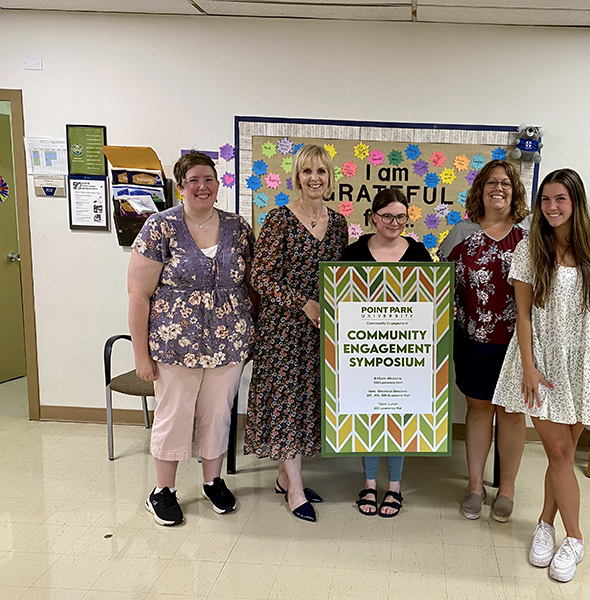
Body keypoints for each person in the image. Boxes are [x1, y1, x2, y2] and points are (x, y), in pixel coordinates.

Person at [492, 168, 590, 582]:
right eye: (545, 200)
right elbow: (524, 315)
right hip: (541, 366)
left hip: (585, 366)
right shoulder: (531, 250)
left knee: (560, 458)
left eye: (559, 199)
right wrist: (528, 368)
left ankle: (545, 525)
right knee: (561, 455)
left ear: (576, 202)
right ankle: (576, 539)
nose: (551, 207)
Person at [128, 150, 256, 526]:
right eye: (194, 181)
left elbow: (251, 284)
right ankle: (163, 491)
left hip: (229, 342)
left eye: (209, 180)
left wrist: (256, 333)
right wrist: (141, 355)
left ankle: (212, 481)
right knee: (175, 414)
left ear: (218, 184)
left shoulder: (238, 227)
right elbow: (139, 294)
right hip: (174, 345)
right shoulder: (159, 226)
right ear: (181, 186)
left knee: (218, 414)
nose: (203, 187)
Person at [244, 144, 348, 523]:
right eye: (307, 172)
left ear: (330, 178)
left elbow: (341, 275)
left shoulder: (337, 224)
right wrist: (302, 302)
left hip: (320, 329)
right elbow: (261, 276)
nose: (315, 179)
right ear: (297, 177)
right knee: (287, 403)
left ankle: (283, 476)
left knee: (306, 403)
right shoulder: (279, 220)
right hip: (284, 329)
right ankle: (296, 488)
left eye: (321, 171)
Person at [437, 160, 530, 523]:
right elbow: (438, 287)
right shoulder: (461, 234)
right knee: (478, 410)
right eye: (492, 182)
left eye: (506, 183)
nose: (499, 188)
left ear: (514, 190)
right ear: (480, 189)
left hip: (518, 344)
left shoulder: (528, 237)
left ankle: (506, 489)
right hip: (472, 340)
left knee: (511, 413)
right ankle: (475, 486)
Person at [341, 188, 432, 518]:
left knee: (399, 419)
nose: (394, 223)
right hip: (364, 354)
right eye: (387, 216)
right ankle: (368, 483)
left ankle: (394, 487)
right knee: (369, 417)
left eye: (400, 217)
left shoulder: (420, 254)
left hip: (405, 355)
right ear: (373, 217)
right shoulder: (353, 253)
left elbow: (432, 303)